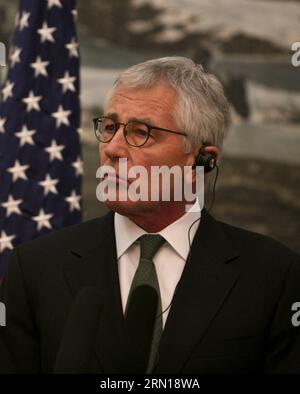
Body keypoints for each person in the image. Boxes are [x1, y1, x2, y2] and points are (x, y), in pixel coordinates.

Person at [0, 57, 299, 374]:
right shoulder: (34, 268)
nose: (112, 149)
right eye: (110, 127)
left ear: (200, 160)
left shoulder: (276, 277)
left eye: (140, 132)